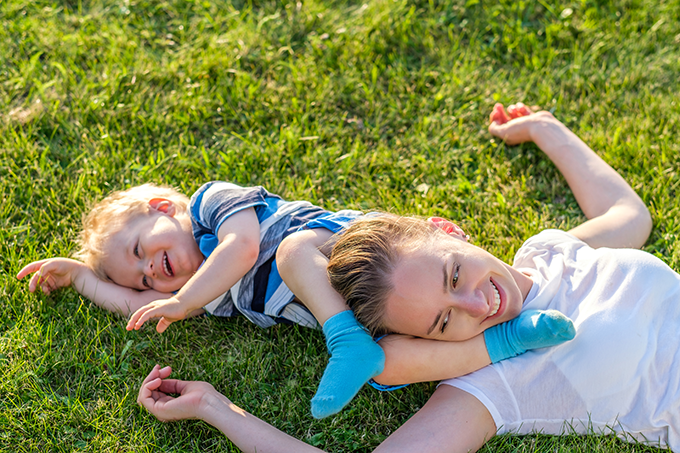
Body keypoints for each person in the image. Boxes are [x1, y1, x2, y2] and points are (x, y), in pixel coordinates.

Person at [136, 102, 677, 453]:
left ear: (449, 231)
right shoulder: (488, 383)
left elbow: (629, 218)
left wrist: (544, 128)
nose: (475, 305)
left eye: (454, 273)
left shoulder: (548, 251)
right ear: (423, 342)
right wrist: (215, 407)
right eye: (444, 322)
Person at [16, 159, 571, 418]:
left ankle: (344, 341)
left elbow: (243, 250)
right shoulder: (207, 293)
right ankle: (509, 340)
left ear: (164, 209)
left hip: (354, 255)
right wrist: (84, 278)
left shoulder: (212, 207)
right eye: (140, 275)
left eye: (142, 249)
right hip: (366, 309)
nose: (152, 272)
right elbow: (141, 308)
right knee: (388, 363)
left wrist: (185, 301)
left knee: (290, 251)